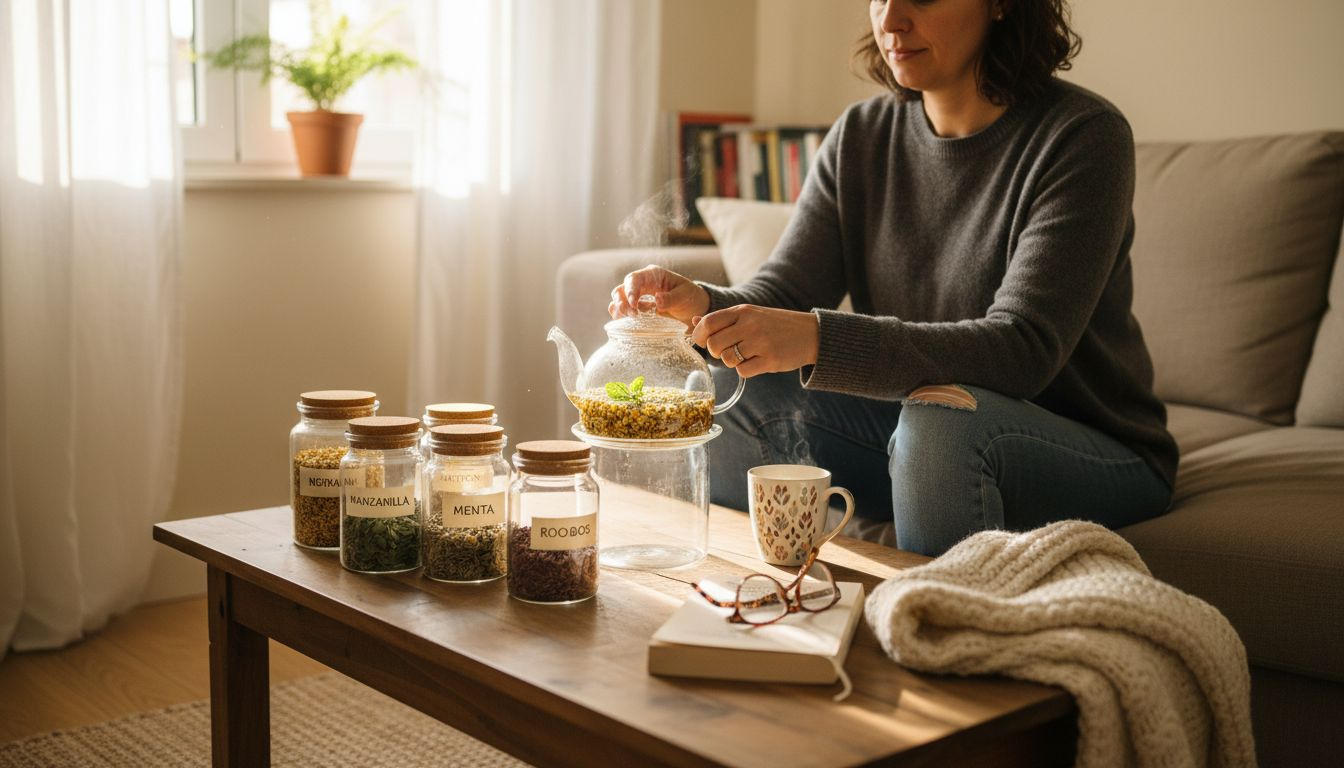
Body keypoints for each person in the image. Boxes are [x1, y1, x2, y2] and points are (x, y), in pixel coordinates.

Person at [608, 0, 1177, 556]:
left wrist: (814, 338)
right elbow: (781, 294)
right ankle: (757, 607)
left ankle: (927, 633)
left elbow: (1023, 350)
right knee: (717, 394)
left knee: (941, 419)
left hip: (1086, 444)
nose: (891, 19)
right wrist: (699, 304)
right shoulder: (861, 135)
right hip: (915, 429)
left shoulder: (1083, 136)